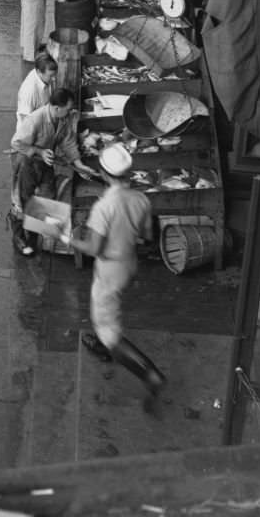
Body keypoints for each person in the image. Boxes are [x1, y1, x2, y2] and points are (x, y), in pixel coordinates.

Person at [60, 144, 167, 405]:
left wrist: (68, 238)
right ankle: (103, 343)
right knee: (106, 313)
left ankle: (149, 373)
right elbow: (147, 235)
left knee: (108, 327)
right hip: (129, 264)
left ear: (104, 174)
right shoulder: (141, 199)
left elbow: (95, 248)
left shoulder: (104, 206)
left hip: (110, 271)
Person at [9, 88, 99, 255]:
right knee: (23, 201)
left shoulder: (62, 119)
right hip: (27, 164)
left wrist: (79, 164)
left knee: (46, 198)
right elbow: (16, 143)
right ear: (56, 107)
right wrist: (39, 151)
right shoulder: (35, 119)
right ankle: (19, 236)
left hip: (45, 164)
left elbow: (68, 142)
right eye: (68, 108)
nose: (70, 111)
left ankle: (34, 231)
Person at [16, 52, 58, 124]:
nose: (54, 79)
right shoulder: (29, 90)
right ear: (39, 72)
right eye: (51, 76)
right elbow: (25, 119)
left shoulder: (45, 77)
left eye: (55, 74)